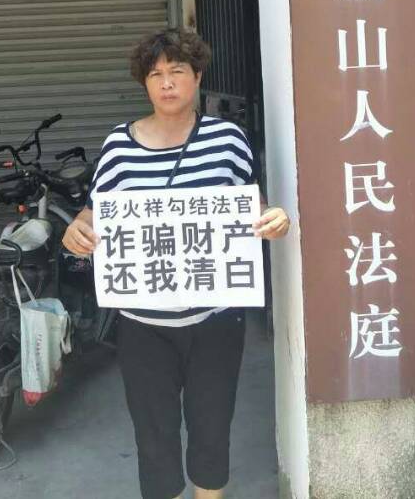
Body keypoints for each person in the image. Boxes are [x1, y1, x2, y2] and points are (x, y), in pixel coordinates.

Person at [63, 27, 290, 499]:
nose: (166, 83)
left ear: (197, 76)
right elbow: (94, 213)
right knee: (154, 437)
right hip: (142, 326)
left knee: (212, 429)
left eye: (177, 71)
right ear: (144, 83)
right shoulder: (119, 147)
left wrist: (274, 218)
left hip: (215, 320)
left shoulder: (228, 139)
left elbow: (250, 207)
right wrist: (77, 231)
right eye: (155, 74)